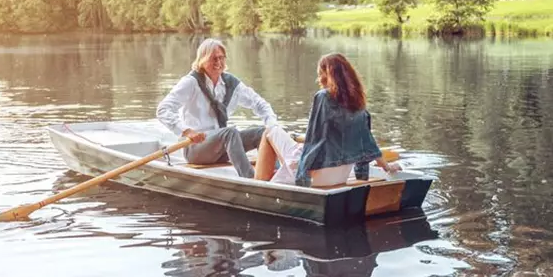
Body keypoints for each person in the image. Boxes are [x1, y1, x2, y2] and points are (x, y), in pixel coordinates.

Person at [253, 52, 401, 187]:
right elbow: (368, 144)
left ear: (329, 75)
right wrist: (387, 167)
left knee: (269, 132)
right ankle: (272, 176)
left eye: (320, 74)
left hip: (317, 175)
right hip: (341, 176)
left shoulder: (323, 97)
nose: (318, 79)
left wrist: (303, 174)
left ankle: (258, 189)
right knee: (292, 147)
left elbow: (314, 140)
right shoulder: (359, 105)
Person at [157, 38, 278, 179]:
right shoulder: (191, 82)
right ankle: (250, 179)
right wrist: (187, 131)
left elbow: (260, 104)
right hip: (196, 149)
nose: (218, 63)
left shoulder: (231, 84)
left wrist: (273, 127)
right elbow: (163, 109)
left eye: (221, 58)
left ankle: (275, 176)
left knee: (263, 133)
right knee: (230, 132)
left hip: (222, 149)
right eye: (213, 58)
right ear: (202, 59)